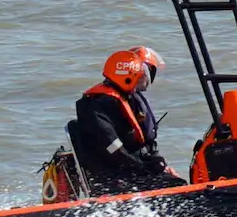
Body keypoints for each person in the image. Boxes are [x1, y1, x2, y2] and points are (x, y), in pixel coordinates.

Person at [73, 48, 186, 194]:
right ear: (127, 76)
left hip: (128, 174)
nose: (141, 82)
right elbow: (115, 151)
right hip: (116, 181)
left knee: (176, 182)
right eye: (139, 77)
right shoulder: (98, 107)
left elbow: (137, 147)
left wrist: (160, 167)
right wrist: (146, 168)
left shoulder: (121, 102)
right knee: (177, 187)